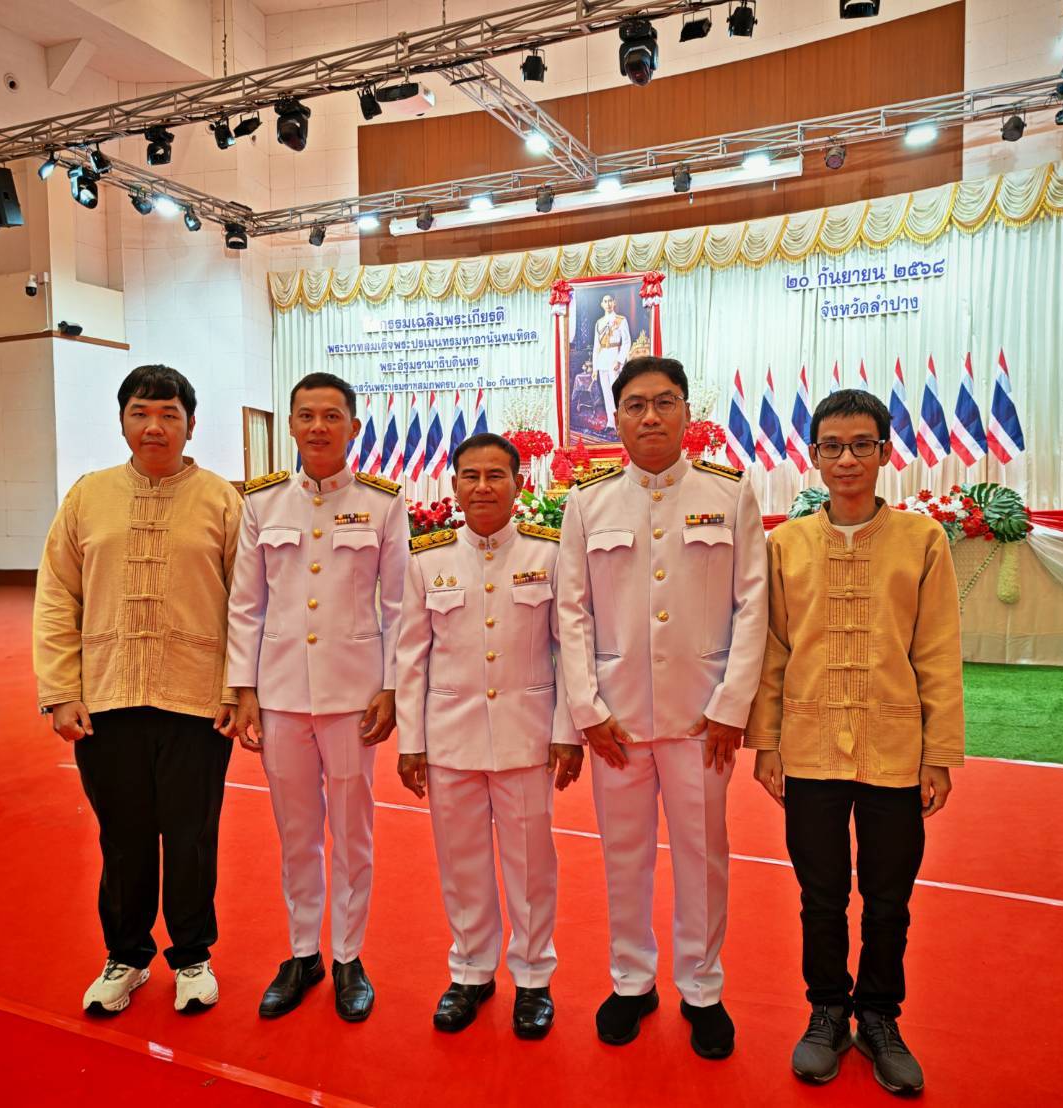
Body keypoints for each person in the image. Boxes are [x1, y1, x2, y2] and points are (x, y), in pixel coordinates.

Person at [746, 388, 963, 1096]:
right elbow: (772, 650)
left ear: (883, 452)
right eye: (833, 446)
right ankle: (826, 1013)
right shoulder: (785, 545)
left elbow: (937, 652)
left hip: (894, 749)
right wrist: (767, 742)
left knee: (888, 897)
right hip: (807, 745)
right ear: (813, 456)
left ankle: (878, 1017)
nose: (847, 459)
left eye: (861, 445)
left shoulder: (922, 541)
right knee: (821, 895)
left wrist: (938, 754)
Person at [557, 355, 768, 1060]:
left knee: (703, 858)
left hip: (700, 718)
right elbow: (572, 612)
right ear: (615, 418)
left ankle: (702, 988)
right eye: (636, 405)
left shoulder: (728, 493)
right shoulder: (588, 503)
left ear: (686, 413)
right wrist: (586, 707)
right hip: (616, 720)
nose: (650, 416)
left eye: (664, 402)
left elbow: (753, 602)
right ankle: (631, 980)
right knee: (623, 857)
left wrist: (732, 704)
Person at [33, 364, 240, 1018]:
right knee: (122, 839)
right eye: (141, 413)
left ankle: (192, 957)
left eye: (169, 414)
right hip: (107, 700)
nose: (155, 426)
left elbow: (248, 606)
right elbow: (55, 596)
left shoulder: (221, 500)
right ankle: (125, 956)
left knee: (191, 837)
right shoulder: (87, 496)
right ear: (122, 421)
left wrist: (238, 690)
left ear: (190, 425)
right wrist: (60, 689)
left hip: (196, 703)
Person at [227, 371, 407, 1023]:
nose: (319, 427)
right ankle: (303, 954)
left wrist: (391, 686)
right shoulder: (263, 503)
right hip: (281, 694)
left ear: (353, 427)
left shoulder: (383, 504)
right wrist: (243, 688)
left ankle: (348, 956)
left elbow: (400, 605)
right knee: (296, 834)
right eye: (306, 416)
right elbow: (246, 604)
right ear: (291, 426)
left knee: (352, 834)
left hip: (353, 697)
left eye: (332, 416)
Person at [395, 432, 584, 1039]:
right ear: (453, 486)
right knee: (462, 862)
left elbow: (569, 649)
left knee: (531, 864)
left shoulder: (547, 554)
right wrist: (411, 742)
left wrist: (567, 731)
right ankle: (471, 971)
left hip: (527, 735)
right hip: (450, 738)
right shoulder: (426, 560)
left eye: (495, 475)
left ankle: (532, 977)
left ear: (518, 484)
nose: (482, 487)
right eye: (470, 476)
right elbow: (410, 658)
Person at [592, 293, 632, 426]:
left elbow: (626, 342)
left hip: (615, 358)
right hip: (602, 359)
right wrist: (595, 368)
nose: (608, 304)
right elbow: (596, 346)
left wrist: (619, 360)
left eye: (610, 301)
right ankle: (611, 423)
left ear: (614, 303)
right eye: (605, 301)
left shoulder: (621, 320)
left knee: (617, 392)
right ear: (601, 304)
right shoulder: (599, 323)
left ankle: (621, 422)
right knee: (606, 393)